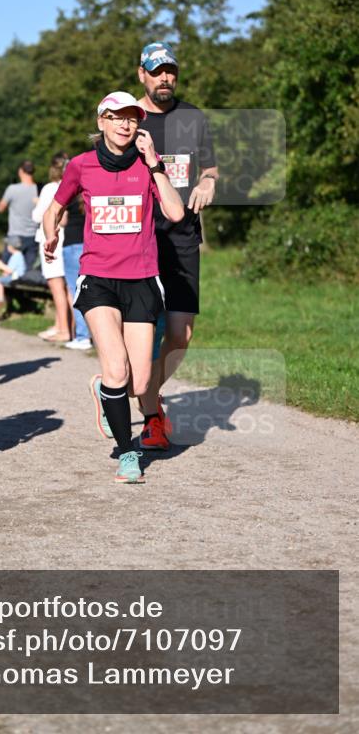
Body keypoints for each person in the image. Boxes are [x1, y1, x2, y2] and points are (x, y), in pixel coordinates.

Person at [43, 91, 184, 483]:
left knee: (140, 382)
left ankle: (106, 391)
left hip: (141, 278)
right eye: (117, 117)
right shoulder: (81, 165)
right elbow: (54, 209)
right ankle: (128, 453)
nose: (125, 124)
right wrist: (50, 235)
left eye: (132, 118)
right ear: (101, 121)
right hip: (99, 278)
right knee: (117, 368)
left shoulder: (147, 166)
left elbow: (174, 212)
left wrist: (156, 164)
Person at [135, 42, 218, 450]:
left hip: (183, 235)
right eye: (157, 71)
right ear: (142, 75)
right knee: (145, 330)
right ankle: (151, 416)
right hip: (138, 239)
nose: (165, 78)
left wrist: (208, 182)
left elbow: (211, 168)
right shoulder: (127, 118)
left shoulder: (192, 117)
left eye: (170, 71)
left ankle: (141, 388)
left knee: (181, 333)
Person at [32, 153, 72, 343]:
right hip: (67, 240)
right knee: (68, 287)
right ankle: (63, 325)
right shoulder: (72, 186)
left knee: (56, 286)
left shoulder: (49, 188)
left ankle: (64, 330)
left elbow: (38, 215)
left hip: (50, 240)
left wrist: (36, 206)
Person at [62, 192, 93, 350]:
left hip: (72, 244)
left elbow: (62, 221)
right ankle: (95, 334)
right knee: (93, 292)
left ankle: (82, 336)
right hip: (91, 245)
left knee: (76, 292)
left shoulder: (70, 197)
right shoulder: (94, 193)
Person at [0, 160, 39, 270]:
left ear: (20, 171)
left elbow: (0, 208)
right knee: (28, 272)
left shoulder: (12, 189)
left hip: (15, 235)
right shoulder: (39, 190)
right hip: (33, 236)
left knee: (6, 268)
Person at [0, 240, 26, 306]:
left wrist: (1, 265)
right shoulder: (15, 255)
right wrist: (0, 267)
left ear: (11, 247)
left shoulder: (17, 256)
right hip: (13, 276)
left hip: (16, 277)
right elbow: (9, 270)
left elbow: (10, 270)